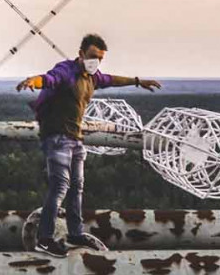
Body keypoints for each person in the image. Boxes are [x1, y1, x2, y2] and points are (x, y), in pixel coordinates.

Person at [16, 33, 162, 257]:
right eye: (93, 56)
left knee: (77, 187)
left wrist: (137, 81)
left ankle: (75, 233)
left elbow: (111, 79)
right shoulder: (67, 70)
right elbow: (49, 78)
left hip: (75, 138)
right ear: (81, 54)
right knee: (60, 187)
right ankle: (44, 240)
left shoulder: (92, 77)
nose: (97, 62)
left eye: (101, 58)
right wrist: (32, 81)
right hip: (56, 137)